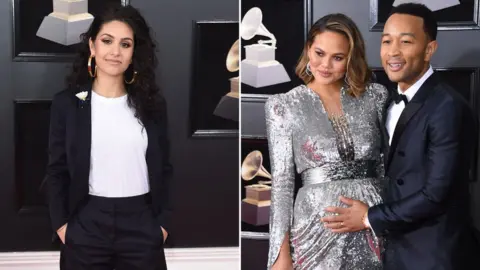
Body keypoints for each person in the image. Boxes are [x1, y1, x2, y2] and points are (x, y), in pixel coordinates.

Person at [321, 3, 478, 270]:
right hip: (392, 251)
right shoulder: (384, 101)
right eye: (386, 41)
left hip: (433, 255)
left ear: (429, 49)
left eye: (405, 41)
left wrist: (368, 217)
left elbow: (436, 194)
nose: (393, 52)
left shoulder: (448, 106)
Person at [44, 4, 173, 270]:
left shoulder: (152, 106)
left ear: (133, 52)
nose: (115, 52)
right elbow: (56, 170)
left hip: (141, 224)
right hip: (86, 223)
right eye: (107, 41)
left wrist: (162, 225)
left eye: (125, 44)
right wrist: (62, 226)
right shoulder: (67, 104)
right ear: (92, 46)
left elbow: (166, 168)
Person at [265, 13, 388, 270]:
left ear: (351, 59)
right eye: (319, 53)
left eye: (338, 58)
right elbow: (282, 184)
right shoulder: (284, 106)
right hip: (316, 229)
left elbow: (385, 166)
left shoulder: (375, 97)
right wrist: (280, 253)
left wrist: (381, 218)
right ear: (308, 48)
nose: (325, 65)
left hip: (372, 224)